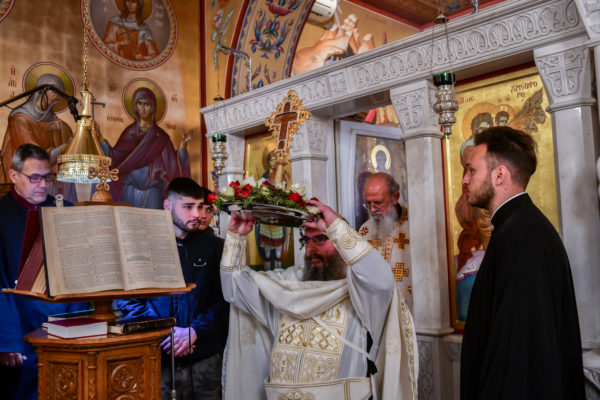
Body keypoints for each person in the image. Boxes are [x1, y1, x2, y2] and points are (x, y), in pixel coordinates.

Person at [221, 199, 418, 400]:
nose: (311, 249)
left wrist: (335, 227)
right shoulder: (286, 285)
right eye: (307, 241)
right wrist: (235, 237)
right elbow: (234, 289)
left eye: (321, 238)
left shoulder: (360, 292)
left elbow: (383, 282)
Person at [460, 126, 584, 399]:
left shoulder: (523, 237)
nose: (465, 180)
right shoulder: (519, 228)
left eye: (472, 170)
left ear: (499, 174)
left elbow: (518, 356)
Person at [116, 177, 228, 400]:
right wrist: (166, 334)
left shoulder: (216, 247)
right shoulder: (143, 245)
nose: (197, 214)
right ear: (168, 205)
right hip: (158, 354)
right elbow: (127, 300)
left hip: (204, 355)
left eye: (200, 206)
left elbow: (225, 299)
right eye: (188, 207)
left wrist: (194, 331)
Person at [0, 144, 86, 400]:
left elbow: (78, 271)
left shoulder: (66, 210)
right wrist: (7, 340)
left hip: (64, 325)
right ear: (14, 175)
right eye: (34, 178)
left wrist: (78, 322)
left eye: (47, 177)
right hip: (19, 329)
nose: (43, 185)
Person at [99, 87, 190, 209]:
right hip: (130, 189)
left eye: (147, 104)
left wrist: (183, 147)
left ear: (153, 107)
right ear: (135, 106)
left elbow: (173, 167)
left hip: (153, 191)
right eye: (140, 104)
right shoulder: (129, 133)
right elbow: (115, 157)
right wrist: (101, 140)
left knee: (154, 220)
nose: (143, 108)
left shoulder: (161, 138)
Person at [1, 74, 75, 200]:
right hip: (21, 187)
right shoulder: (19, 120)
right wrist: (64, 147)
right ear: (43, 90)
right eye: (55, 92)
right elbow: (32, 157)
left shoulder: (56, 122)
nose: (56, 98)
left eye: (59, 96)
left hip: (46, 189)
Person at [358, 172, 413, 312]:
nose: (372, 209)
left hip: (410, 312)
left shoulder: (414, 227)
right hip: (376, 312)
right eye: (368, 203)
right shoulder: (365, 231)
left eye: (378, 203)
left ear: (395, 197)